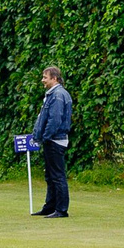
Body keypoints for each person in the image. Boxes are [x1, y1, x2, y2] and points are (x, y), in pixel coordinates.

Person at [32, 66, 74, 219]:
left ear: (54, 78)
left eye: (45, 77)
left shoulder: (57, 95)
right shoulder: (54, 94)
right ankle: (50, 207)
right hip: (52, 139)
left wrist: (45, 136)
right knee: (50, 176)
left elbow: (55, 120)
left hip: (55, 140)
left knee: (57, 175)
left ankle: (61, 209)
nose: (43, 80)